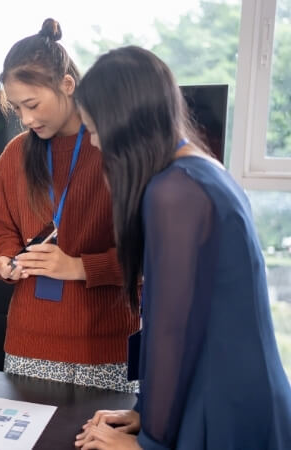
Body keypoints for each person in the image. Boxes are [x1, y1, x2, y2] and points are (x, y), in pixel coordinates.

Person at [73, 46, 291, 449]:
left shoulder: (174, 191)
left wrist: (148, 442)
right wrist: (144, 412)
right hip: (223, 391)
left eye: (95, 128)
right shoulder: (195, 170)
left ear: (125, 124)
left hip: (226, 405)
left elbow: (172, 331)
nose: (95, 142)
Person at [0, 19, 139, 392]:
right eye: (17, 108)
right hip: (28, 343)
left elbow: (147, 257)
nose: (25, 119)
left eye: (32, 104)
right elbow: (4, 228)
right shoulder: (14, 155)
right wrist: (5, 260)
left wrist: (78, 267)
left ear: (67, 86)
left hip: (106, 347)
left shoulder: (114, 150)